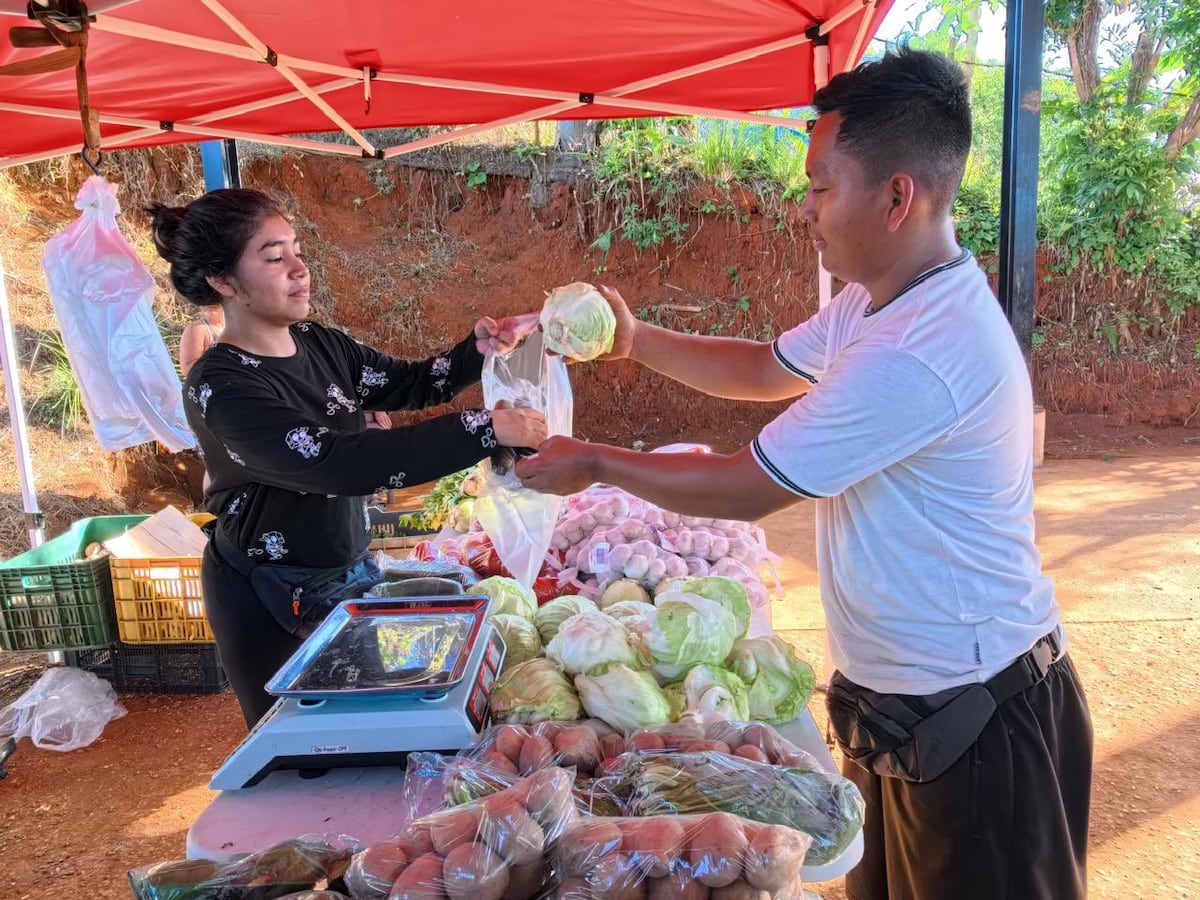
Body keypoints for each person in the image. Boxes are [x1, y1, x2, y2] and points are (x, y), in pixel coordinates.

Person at [516, 49, 1091, 900]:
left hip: (978, 718)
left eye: (822, 188)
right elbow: (762, 367)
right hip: (905, 708)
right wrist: (632, 341)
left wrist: (596, 462)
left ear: (897, 197)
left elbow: (750, 482)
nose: (806, 211)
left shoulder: (922, 350)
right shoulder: (876, 298)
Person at [149, 188, 547, 729]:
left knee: (366, 728)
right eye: (274, 257)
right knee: (308, 750)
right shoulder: (223, 385)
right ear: (223, 282)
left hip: (346, 573)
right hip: (273, 595)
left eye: (295, 249)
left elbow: (409, 383)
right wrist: (483, 428)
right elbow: (338, 463)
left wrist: (477, 352)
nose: (299, 269)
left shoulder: (316, 343)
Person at [178, 304, 225, 378]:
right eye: (205, 298)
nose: (210, 302)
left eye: (215, 297)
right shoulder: (197, 329)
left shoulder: (239, 327)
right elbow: (188, 369)